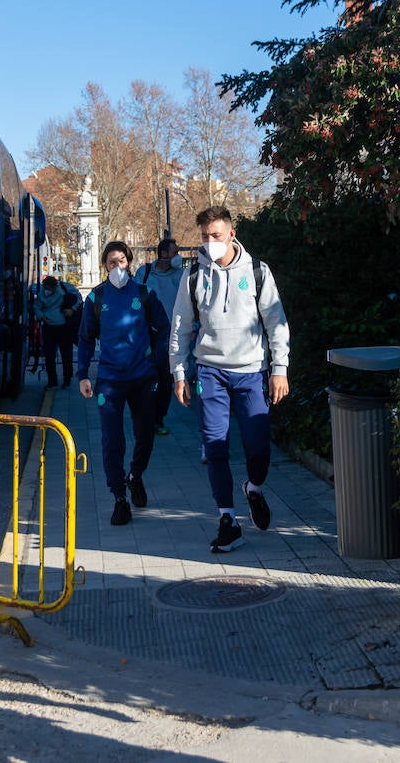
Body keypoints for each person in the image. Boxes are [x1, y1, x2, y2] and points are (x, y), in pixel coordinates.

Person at [171, 206, 290, 553]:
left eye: (217, 236)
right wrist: (179, 372)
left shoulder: (256, 272)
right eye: (205, 237)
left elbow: (276, 322)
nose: (210, 243)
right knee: (215, 446)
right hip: (209, 370)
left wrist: (279, 369)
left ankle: (253, 487)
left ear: (231, 234)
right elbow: (180, 325)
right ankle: (228, 520)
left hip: (251, 371)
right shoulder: (193, 276)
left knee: (258, 444)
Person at [76, 240, 170, 525]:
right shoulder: (96, 298)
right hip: (110, 381)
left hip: (143, 379)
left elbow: (164, 327)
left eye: (121, 261)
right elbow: (84, 338)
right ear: (104, 265)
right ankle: (119, 497)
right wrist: (82, 375)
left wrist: (155, 360)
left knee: (145, 435)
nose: (117, 267)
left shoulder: (145, 293)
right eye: (111, 263)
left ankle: (135, 475)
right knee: (111, 440)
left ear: (130, 262)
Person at [136, 238, 184, 434]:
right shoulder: (145, 273)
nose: (178, 256)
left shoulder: (181, 275)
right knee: (145, 377)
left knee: (164, 380)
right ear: (164, 254)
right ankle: (144, 417)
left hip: (169, 335)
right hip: (147, 333)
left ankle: (158, 418)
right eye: (175, 252)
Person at [34, 275, 74, 388]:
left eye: (48, 288)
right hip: (49, 327)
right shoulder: (41, 294)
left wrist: (72, 309)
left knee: (66, 354)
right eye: (45, 288)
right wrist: (41, 316)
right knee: (49, 356)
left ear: (54, 287)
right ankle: (52, 381)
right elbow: (36, 307)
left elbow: (78, 299)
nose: (46, 291)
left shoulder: (64, 289)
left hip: (63, 327)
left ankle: (67, 380)